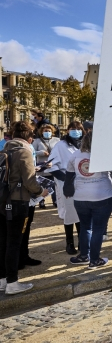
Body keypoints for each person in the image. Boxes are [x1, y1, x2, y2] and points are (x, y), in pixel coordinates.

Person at [63, 132, 112, 269]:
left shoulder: (75, 155)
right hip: (102, 196)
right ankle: (94, 260)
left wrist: (67, 192)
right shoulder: (103, 155)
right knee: (98, 229)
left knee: (85, 227)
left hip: (80, 197)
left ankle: (84, 255)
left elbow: (69, 177)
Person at [0, 121, 48, 294]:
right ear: (29, 137)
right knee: (14, 242)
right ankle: (12, 283)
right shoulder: (24, 151)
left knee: (3, 241)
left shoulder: (4, 150)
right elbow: (30, 182)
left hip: (2, 201)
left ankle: (3, 280)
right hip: (18, 202)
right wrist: (42, 191)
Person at [47, 121, 84, 254]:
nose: (76, 131)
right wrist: (65, 178)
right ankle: (69, 243)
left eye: (78, 128)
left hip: (83, 183)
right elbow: (51, 165)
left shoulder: (85, 145)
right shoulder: (60, 145)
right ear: (67, 131)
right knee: (70, 212)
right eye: (72, 128)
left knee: (82, 212)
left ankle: (82, 241)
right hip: (66, 183)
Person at [32, 124, 60, 209]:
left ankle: (55, 200)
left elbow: (60, 152)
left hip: (53, 166)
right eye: (45, 131)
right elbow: (32, 152)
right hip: (42, 167)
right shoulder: (37, 141)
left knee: (55, 185)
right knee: (42, 185)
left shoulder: (57, 140)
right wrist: (41, 152)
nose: (47, 132)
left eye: (49, 131)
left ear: (52, 132)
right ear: (42, 132)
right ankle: (41, 201)